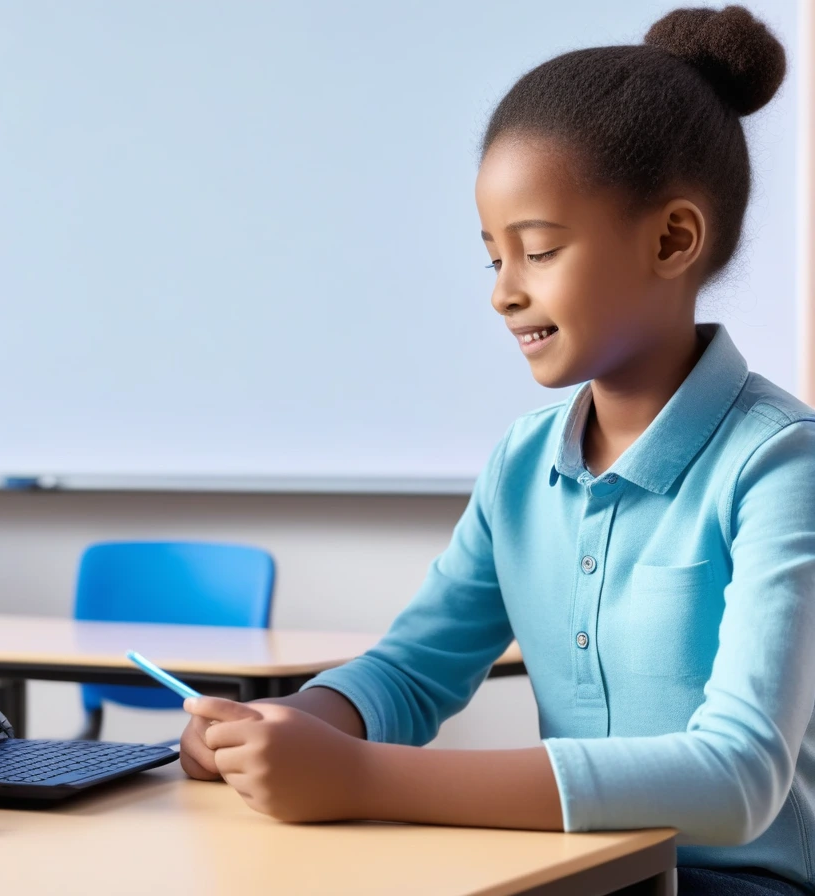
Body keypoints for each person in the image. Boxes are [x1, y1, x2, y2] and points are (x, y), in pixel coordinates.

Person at [180, 7, 813, 894]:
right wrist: (290, 725)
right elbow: (411, 671)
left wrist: (359, 777)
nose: (504, 295)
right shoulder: (524, 464)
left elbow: (735, 780)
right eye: (493, 260)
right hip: (579, 878)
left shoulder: (780, 465)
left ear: (673, 239)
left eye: (539, 252)